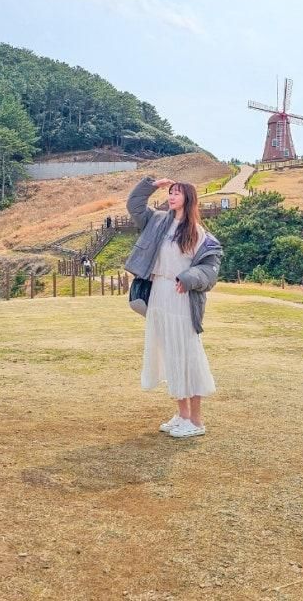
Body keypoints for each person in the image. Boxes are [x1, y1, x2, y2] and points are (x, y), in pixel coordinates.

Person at [125, 176, 223, 438]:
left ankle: (196, 420)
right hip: (158, 294)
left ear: (188, 198)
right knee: (170, 354)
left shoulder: (199, 234)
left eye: (177, 193)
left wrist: (188, 278)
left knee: (187, 355)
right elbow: (134, 205)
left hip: (181, 297)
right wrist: (151, 185)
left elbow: (209, 269)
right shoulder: (156, 222)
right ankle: (182, 415)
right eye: (170, 192)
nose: (171, 196)